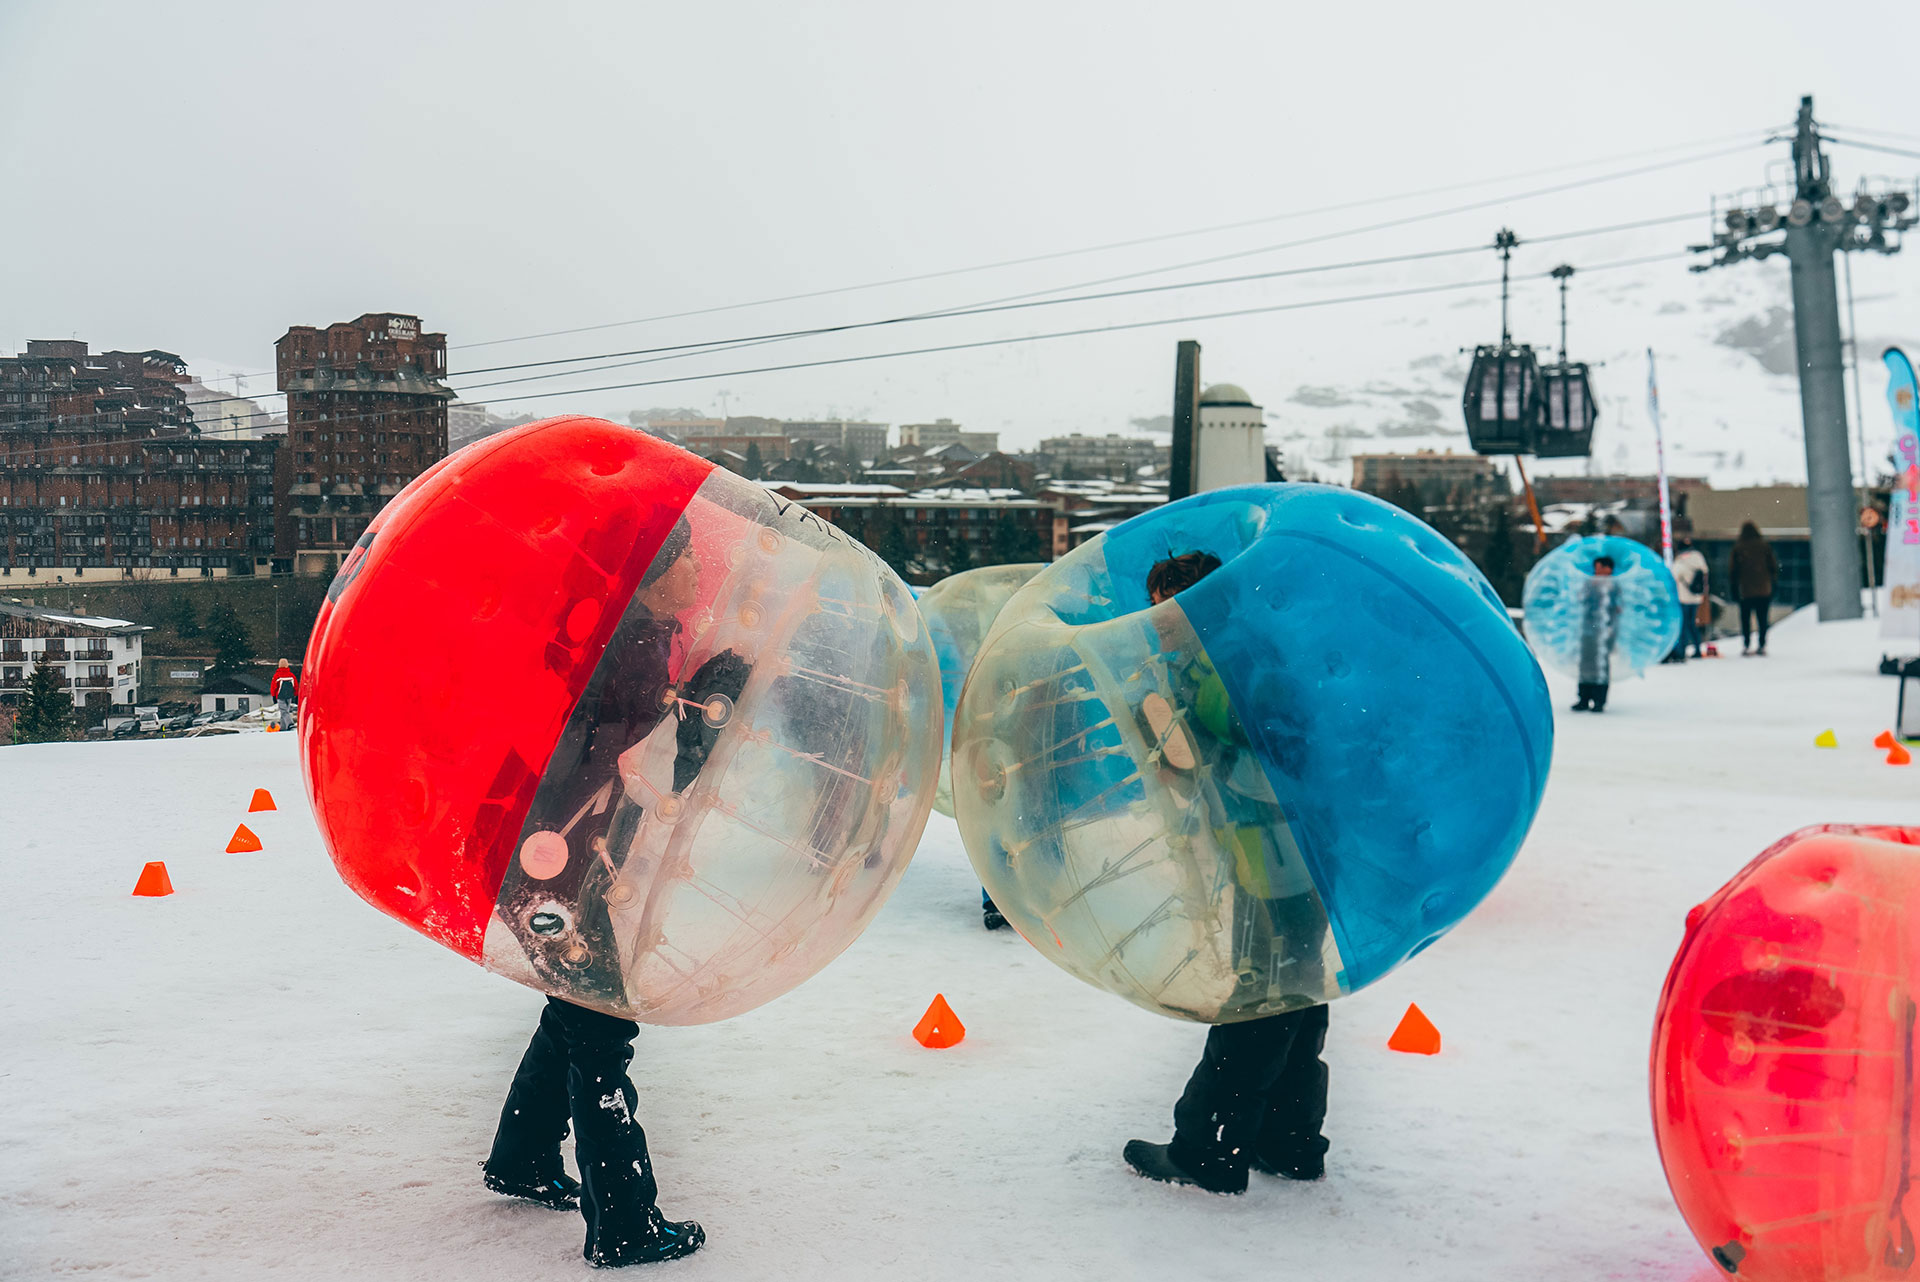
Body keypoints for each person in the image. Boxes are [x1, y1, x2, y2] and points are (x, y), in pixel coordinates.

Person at [484, 518, 743, 1268]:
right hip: (555, 863)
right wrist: (696, 702)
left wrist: (685, 695)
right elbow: (631, 747)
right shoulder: (628, 652)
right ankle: (625, 1224)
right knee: (601, 1026)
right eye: (686, 556)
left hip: (547, 856)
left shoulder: (626, 637)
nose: (700, 569)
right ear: (653, 574)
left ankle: (523, 1160)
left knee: (575, 1011)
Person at [1122, 551, 1331, 1195]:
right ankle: (1289, 1142)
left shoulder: (1245, 672)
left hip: (1282, 862)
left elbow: (1283, 770)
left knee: (1258, 1004)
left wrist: (1201, 757)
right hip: (1287, 862)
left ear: (1202, 605)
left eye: (1168, 604)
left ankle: (1208, 1151)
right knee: (1295, 998)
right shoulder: (1218, 665)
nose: (1155, 619)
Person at [1572, 555, 1619, 713]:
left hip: (1604, 631)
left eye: (1599, 568)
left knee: (1600, 664)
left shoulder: (1614, 586)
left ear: (1608, 569)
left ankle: (1599, 700)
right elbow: (1580, 602)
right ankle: (1584, 698)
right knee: (1585, 663)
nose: (1596, 571)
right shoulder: (1589, 584)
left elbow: (1617, 609)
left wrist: (1612, 630)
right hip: (1587, 629)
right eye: (1595, 568)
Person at [1730, 520, 1778, 656]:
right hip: (1763, 590)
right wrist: (1773, 584)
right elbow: (1773, 567)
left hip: (1745, 590)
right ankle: (1762, 644)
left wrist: (1734, 588)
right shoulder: (1764, 546)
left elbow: (1733, 571)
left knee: (1745, 619)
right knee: (1762, 619)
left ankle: (1746, 644)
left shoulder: (1739, 547)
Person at [1672, 537, 1709, 660]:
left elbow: (1674, 575)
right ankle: (1697, 648)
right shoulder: (1698, 556)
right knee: (1692, 624)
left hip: (1683, 597)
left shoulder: (1680, 560)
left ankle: (1681, 651)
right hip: (1696, 597)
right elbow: (1705, 572)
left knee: (1683, 625)